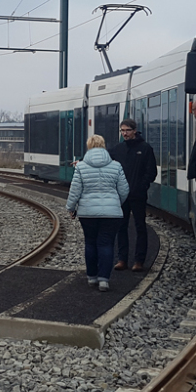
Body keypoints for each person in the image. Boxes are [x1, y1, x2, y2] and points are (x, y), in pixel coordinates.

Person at [66, 135, 129, 292]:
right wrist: (115, 204)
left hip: (88, 213)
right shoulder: (116, 166)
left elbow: (75, 191)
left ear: (88, 147)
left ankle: (92, 277)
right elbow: (124, 190)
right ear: (104, 146)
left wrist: (71, 208)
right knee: (106, 243)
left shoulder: (81, 167)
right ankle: (104, 280)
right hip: (111, 214)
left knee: (90, 242)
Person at [109, 119, 157, 272]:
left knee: (140, 227)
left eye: (127, 130)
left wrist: (142, 186)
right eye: (122, 131)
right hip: (121, 195)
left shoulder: (145, 148)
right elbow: (102, 159)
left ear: (135, 130)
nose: (125, 133)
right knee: (121, 227)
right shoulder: (118, 149)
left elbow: (151, 172)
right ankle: (122, 259)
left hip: (137, 195)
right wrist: (83, 162)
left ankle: (139, 260)